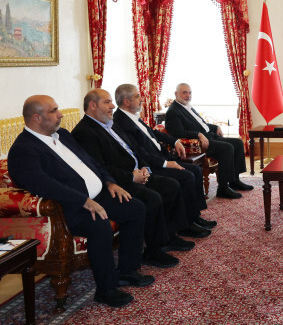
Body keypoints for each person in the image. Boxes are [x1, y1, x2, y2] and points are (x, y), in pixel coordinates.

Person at [8, 95, 153, 308]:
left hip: (98, 194)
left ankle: (127, 271)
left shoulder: (63, 135)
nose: (60, 114)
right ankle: (107, 289)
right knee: (99, 224)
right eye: (54, 111)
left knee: (136, 208)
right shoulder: (23, 150)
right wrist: (83, 200)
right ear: (37, 118)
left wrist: (110, 182)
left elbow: (92, 163)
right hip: (69, 206)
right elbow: (42, 184)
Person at [72, 89, 191, 269]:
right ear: (93, 105)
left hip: (136, 173)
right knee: (152, 198)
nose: (112, 106)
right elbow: (99, 167)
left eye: (112, 101)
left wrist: (144, 169)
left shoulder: (111, 123)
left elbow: (135, 149)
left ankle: (169, 236)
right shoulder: (84, 132)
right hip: (117, 181)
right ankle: (153, 250)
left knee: (170, 185)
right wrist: (132, 176)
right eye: (107, 102)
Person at [113, 84, 216, 237]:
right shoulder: (120, 121)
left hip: (161, 157)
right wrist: (166, 163)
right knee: (187, 175)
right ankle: (185, 225)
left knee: (195, 170)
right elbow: (139, 151)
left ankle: (194, 216)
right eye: (137, 96)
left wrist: (174, 141)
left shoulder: (133, 116)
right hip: (152, 164)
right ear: (127, 102)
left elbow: (153, 133)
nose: (141, 100)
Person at [164, 83, 253, 199]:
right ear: (176, 94)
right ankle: (223, 188)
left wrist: (215, 127)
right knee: (227, 148)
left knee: (238, 143)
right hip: (198, 144)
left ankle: (234, 180)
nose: (188, 95)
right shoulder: (173, 111)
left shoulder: (187, 107)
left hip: (208, 137)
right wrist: (198, 134)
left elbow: (202, 124)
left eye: (190, 92)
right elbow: (177, 132)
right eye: (184, 92)